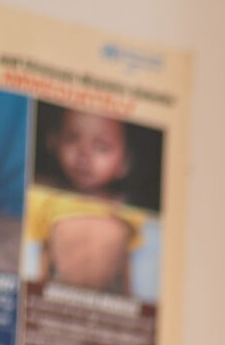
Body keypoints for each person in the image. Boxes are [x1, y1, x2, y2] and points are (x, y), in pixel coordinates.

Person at [26, 108, 144, 293]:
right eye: (72, 139)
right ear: (53, 142)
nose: (84, 154)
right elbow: (44, 253)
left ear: (125, 163)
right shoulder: (46, 199)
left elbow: (126, 265)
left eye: (101, 147)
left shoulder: (127, 209)